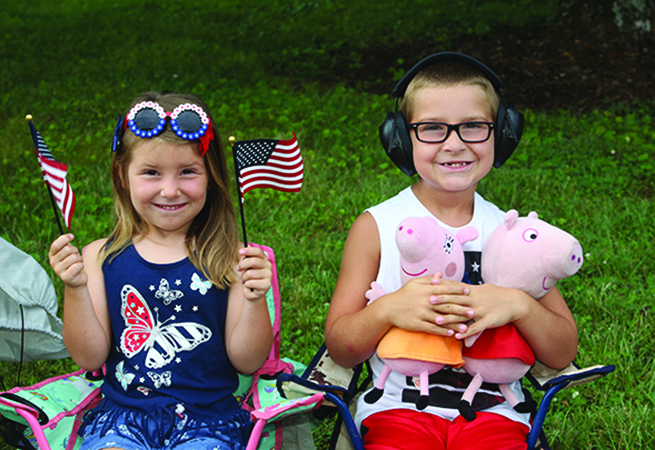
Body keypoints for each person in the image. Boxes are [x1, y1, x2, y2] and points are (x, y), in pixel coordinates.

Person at [324, 53, 578, 449]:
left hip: (496, 415)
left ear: (503, 133)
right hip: (397, 411)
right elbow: (341, 347)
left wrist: (519, 305)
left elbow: (562, 351)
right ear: (400, 138)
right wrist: (388, 309)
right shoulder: (375, 227)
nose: (455, 144)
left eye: (474, 126)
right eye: (432, 129)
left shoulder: (513, 232)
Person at [49, 92, 273, 450]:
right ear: (122, 176)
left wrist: (254, 298)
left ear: (211, 176)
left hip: (209, 421)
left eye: (188, 172)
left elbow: (247, 361)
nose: (170, 190)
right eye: (151, 173)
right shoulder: (99, 258)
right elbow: (88, 358)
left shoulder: (231, 259)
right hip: (123, 417)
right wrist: (74, 288)